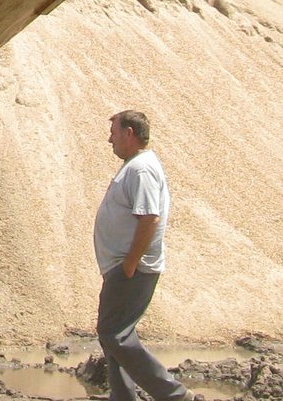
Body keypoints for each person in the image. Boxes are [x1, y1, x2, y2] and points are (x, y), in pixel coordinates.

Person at [91, 109, 193, 401]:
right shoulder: (135, 166)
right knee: (113, 335)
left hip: (133, 269)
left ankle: (175, 395)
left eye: (113, 133)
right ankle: (123, 397)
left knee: (115, 335)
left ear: (129, 133)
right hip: (123, 267)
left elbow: (149, 218)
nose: (109, 140)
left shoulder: (142, 169)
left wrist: (130, 263)